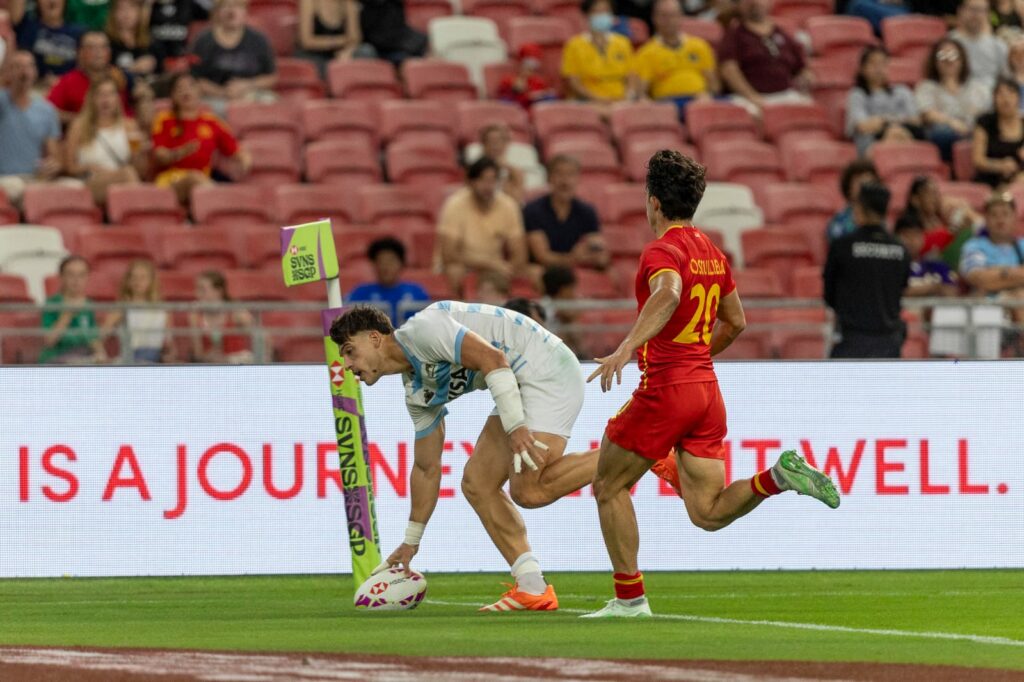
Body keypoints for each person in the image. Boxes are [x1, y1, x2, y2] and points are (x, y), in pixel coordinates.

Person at [583, 150, 840, 618]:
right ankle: (776, 478)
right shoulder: (711, 252)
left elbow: (667, 294)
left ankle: (629, 599)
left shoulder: (662, 250)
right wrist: (696, 355)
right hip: (706, 392)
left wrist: (626, 347)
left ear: (654, 203)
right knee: (707, 512)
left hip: (666, 389)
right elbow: (737, 321)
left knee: (608, 485)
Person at [329, 301, 598, 611]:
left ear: (375, 338)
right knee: (477, 483)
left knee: (529, 490)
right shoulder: (418, 392)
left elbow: (492, 359)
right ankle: (532, 587)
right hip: (516, 382)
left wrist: (516, 428)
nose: (347, 365)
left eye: (350, 351)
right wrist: (410, 542)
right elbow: (426, 468)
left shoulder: (423, 330)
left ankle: (637, 450)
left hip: (546, 367)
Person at [824, 181, 911, 358]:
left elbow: (829, 293)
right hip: (888, 344)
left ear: (859, 208)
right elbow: (902, 287)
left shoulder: (843, 246)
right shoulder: (900, 249)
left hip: (852, 342)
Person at [151, 72, 251, 205]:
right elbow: (159, 155)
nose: (186, 91)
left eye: (190, 86)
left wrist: (245, 161)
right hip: (171, 180)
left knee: (201, 181)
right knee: (195, 179)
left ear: (199, 91)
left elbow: (237, 151)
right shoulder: (164, 119)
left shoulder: (212, 122)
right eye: (180, 88)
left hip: (203, 180)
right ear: (172, 95)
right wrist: (179, 153)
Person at [437, 157, 528, 295]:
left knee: (532, 273)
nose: (488, 186)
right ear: (470, 182)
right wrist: (488, 264)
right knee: (455, 271)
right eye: (483, 180)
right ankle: (457, 315)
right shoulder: (454, 205)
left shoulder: (508, 205)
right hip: (465, 264)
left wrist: (510, 268)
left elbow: (520, 253)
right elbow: (449, 254)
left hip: (495, 267)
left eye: (492, 181)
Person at [717, 0, 813, 116]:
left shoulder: (781, 33)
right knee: (752, 115)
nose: (754, 3)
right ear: (740, 5)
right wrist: (752, 97)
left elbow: (801, 68)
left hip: (785, 94)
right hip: (749, 98)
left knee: (810, 111)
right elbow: (729, 70)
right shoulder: (734, 35)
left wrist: (806, 77)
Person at [64, 76, 145, 204]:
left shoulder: (129, 125)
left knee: (128, 173)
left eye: (111, 94)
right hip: (91, 181)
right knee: (127, 174)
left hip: (122, 179)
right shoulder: (79, 125)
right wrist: (90, 167)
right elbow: (69, 167)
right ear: (92, 99)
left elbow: (140, 169)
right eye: (101, 94)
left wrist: (139, 155)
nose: (106, 99)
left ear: (117, 99)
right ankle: (142, 213)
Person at [189, 0, 276, 115]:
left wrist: (247, 85)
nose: (232, 11)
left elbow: (271, 77)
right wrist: (222, 93)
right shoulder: (203, 41)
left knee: (270, 105)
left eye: (237, 6)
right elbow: (195, 79)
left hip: (250, 94)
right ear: (217, 12)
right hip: (213, 97)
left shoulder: (259, 40)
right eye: (226, 6)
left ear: (245, 11)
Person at [0, 48, 63, 206]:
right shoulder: (1, 101)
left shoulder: (47, 110)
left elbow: (53, 154)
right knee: (18, 188)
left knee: (73, 188)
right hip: (6, 178)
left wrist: (54, 165)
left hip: (36, 178)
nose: (24, 71)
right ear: (7, 72)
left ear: (35, 72)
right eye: (18, 66)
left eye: (29, 66)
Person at [523, 155, 610, 270]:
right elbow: (542, 257)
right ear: (549, 178)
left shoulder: (587, 211)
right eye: (559, 174)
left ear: (578, 179)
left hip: (571, 269)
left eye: (570, 174)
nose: (565, 181)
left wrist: (597, 255)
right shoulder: (532, 210)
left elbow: (599, 249)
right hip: (543, 271)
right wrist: (573, 258)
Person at [633, 0, 719, 112]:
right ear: (654, 18)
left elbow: (715, 86)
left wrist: (707, 95)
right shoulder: (646, 52)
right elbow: (641, 93)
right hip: (667, 104)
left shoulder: (700, 46)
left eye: (673, 15)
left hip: (700, 100)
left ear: (681, 17)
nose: (669, 20)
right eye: (664, 16)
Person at [915, 38, 991, 160]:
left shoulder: (976, 87)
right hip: (944, 133)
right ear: (935, 61)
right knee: (941, 132)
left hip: (972, 130)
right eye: (942, 56)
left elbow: (983, 113)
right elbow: (928, 113)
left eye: (953, 56)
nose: (948, 61)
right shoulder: (927, 86)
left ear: (962, 60)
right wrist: (953, 123)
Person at [561, 0, 639, 109]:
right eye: (597, 11)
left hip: (621, 100)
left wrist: (629, 96)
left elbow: (632, 76)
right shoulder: (574, 45)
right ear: (587, 15)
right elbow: (574, 83)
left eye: (606, 11)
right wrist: (597, 99)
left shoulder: (623, 42)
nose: (602, 15)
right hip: (590, 101)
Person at [846, 45, 921, 155]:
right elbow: (863, 126)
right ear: (862, 68)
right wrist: (893, 124)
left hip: (906, 134)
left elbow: (915, 121)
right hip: (872, 143)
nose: (879, 69)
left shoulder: (902, 91)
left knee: (901, 134)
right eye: (873, 64)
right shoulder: (857, 95)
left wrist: (884, 122)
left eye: (883, 64)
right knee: (894, 135)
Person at [47, 31, 132, 123]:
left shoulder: (120, 78)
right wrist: (80, 121)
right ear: (80, 52)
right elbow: (48, 111)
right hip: (81, 134)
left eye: (103, 47)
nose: (98, 52)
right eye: (91, 48)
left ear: (109, 52)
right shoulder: (68, 81)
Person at [900, 174, 981, 268]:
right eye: (929, 194)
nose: (935, 198)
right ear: (915, 199)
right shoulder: (906, 225)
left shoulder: (944, 221)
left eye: (936, 193)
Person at [98, 259, 170, 362]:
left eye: (143, 277)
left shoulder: (162, 309)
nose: (138, 281)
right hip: (131, 358)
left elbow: (169, 342)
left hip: (156, 358)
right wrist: (101, 354)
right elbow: (101, 334)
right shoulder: (122, 307)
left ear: (151, 280)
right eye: (133, 277)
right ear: (128, 280)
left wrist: (168, 353)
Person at [347, 237, 430, 325]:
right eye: (381, 261)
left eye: (391, 261)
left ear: (401, 264)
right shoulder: (360, 293)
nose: (386, 267)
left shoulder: (417, 292)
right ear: (374, 264)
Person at [40, 255, 106, 364]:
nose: (76, 280)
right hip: (57, 358)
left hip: (84, 357)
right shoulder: (52, 303)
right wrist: (67, 315)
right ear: (61, 277)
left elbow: (93, 339)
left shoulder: (89, 304)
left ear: (87, 278)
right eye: (71, 275)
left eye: (81, 275)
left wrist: (102, 355)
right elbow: (49, 341)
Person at [9, 0, 85, 85]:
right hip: (30, 87)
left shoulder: (78, 33)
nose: (51, 1)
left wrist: (62, 83)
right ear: (38, 2)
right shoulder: (26, 26)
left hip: (67, 89)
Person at [189, 269, 255, 363]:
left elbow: (261, 338)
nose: (198, 294)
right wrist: (207, 357)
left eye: (202, 290)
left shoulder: (236, 311)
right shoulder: (195, 315)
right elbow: (198, 353)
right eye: (197, 289)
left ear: (218, 291)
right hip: (211, 367)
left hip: (238, 365)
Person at [296, 0, 374, 78]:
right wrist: (340, 41)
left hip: (339, 53)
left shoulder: (348, 3)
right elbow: (306, 41)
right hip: (313, 54)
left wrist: (348, 51)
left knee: (366, 50)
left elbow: (355, 38)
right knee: (326, 68)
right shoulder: (309, 2)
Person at [973, 76, 1024, 187]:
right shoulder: (985, 122)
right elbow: (978, 160)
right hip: (990, 181)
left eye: (1011, 93)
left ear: (1019, 98)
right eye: (1000, 94)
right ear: (994, 99)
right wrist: (1000, 166)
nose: (1006, 99)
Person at [894, 215, 960, 297]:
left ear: (923, 237)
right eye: (906, 235)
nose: (911, 240)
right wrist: (934, 288)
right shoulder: (892, 266)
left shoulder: (938, 266)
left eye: (916, 234)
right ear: (895, 237)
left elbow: (952, 292)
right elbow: (894, 291)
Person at [950, 0, 1008, 90]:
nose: (976, 14)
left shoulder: (998, 46)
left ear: (988, 14)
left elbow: (1007, 81)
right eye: (972, 9)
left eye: (981, 10)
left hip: (990, 99)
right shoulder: (948, 43)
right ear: (960, 11)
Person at [358, 0, 427, 66]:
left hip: (399, 47)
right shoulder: (361, 5)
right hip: (375, 48)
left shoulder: (393, 5)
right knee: (366, 51)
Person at [827, 159, 881, 243]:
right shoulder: (839, 224)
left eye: (870, 184)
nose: (866, 189)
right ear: (849, 189)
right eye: (861, 184)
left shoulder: (882, 222)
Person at [105, 0, 160, 77]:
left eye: (132, 8)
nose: (126, 13)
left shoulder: (152, 43)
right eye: (121, 9)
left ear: (140, 12)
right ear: (113, 13)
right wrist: (133, 69)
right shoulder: (106, 41)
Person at [497, 43, 557, 110]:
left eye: (533, 66)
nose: (530, 69)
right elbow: (506, 96)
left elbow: (548, 93)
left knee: (550, 98)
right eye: (527, 64)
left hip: (535, 109)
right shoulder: (508, 80)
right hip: (516, 109)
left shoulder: (539, 80)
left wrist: (541, 94)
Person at [478, 123, 525, 204]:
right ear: (483, 144)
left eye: (499, 141)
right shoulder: (475, 171)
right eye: (490, 141)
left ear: (506, 144)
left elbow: (517, 200)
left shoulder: (515, 173)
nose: (494, 145)